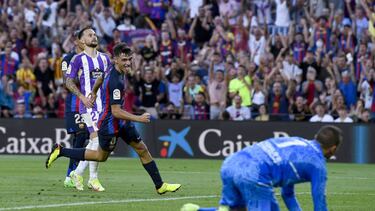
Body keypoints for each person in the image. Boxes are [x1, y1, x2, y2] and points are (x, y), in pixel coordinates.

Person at [46, 43, 181, 195]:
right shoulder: (115, 81)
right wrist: (139, 118)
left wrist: (95, 91)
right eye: (124, 60)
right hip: (110, 124)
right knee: (99, 156)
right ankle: (61, 151)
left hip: (122, 122)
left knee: (142, 149)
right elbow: (116, 111)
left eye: (129, 59)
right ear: (116, 59)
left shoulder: (111, 68)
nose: (128, 63)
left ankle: (160, 185)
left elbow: (99, 79)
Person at [181, 125, 343, 211]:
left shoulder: (298, 141)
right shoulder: (318, 165)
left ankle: (193, 210)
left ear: (316, 137)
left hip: (232, 163)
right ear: (333, 148)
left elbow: (288, 193)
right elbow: (320, 205)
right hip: (255, 174)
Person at [65, 26, 111, 191]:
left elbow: (109, 81)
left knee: (96, 142)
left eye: (95, 34)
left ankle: (77, 173)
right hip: (86, 107)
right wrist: (82, 97)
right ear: (82, 40)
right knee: (96, 140)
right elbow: (68, 81)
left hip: (102, 108)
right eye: (90, 35)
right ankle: (93, 178)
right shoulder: (77, 59)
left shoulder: (106, 58)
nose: (94, 36)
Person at [60, 31, 89, 188]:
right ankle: (70, 174)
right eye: (83, 38)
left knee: (89, 138)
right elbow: (67, 80)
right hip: (75, 104)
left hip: (90, 103)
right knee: (80, 136)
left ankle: (84, 176)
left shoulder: (92, 58)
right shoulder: (67, 59)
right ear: (76, 41)